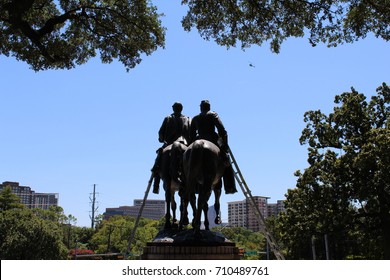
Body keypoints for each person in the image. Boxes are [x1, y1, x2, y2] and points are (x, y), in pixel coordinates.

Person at [190, 100, 237, 194]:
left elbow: (191, 134)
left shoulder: (195, 118)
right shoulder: (213, 115)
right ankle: (229, 186)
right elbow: (222, 130)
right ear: (209, 107)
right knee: (226, 160)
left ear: (201, 107)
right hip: (213, 139)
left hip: (198, 139)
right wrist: (224, 146)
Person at [152, 102, 190, 194]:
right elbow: (191, 133)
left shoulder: (168, 118)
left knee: (158, 160)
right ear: (181, 109)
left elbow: (161, 133)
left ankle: (156, 185)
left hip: (170, 143)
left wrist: (161, 139)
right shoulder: (188, 119)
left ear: (173, 109)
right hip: (184, 143)